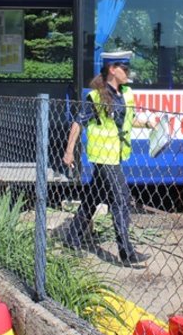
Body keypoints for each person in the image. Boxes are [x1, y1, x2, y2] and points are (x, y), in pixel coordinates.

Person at [62, 50, 153, 267]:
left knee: (93, 197)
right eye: (125, 68)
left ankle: (72, 236)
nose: (128, 72)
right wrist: (69, 151)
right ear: (113, 69)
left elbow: (126, 121)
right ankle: (126, 252)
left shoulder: (125, 94)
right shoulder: (96, 97)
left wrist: (148, 123)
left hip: (117, 155)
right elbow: (78, 122)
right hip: (103, 157)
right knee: (121, 199)